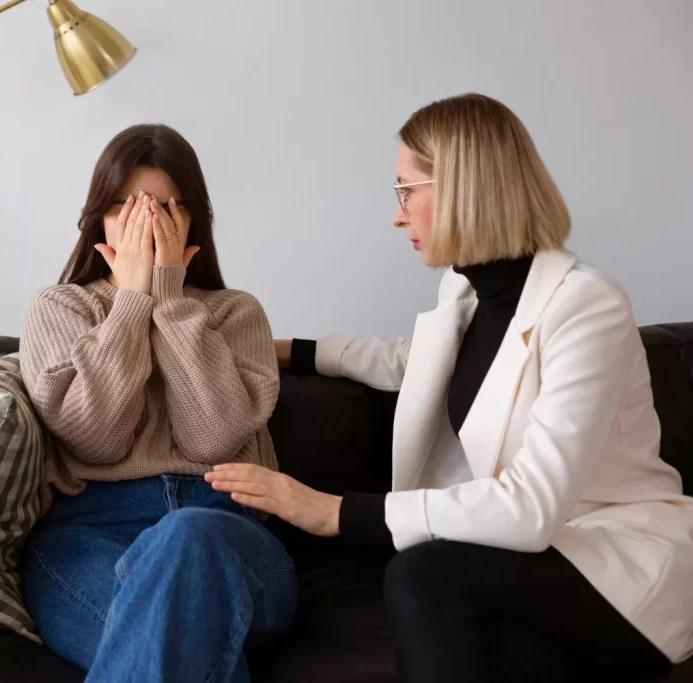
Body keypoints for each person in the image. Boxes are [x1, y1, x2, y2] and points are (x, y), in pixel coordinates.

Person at [206, 93, 693, 682]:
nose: (396, 214)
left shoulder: (587, 307)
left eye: (405, 191)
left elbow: (532, 507)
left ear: (464, 185)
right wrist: (280, 349)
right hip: (528, 568)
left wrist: (331, 511)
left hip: (616, 564)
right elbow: (412, 360)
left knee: (422, 574)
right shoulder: (465, 295)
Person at [19, 123, 296, 683]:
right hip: (87, 533)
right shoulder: (59, 308)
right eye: (129, 206)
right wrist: (128, 304)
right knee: (185, 640)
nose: (146, 224)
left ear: (193, 219)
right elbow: (94, 437)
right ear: (99, 215)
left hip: (220, 528)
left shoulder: (235, 313)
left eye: (165, 208)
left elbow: (212, 438)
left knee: (187, 537)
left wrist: (169, 300)